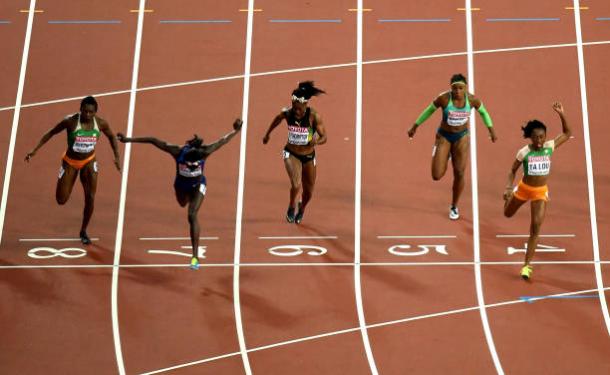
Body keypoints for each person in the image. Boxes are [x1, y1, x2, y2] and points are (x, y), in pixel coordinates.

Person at [117, 118, 242, 270]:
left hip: (198, 185)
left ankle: (194, 257)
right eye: (189, 163)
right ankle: (189, 201)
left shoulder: (205, 152)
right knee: (182, 204)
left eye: (195, 164)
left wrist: (236, 130)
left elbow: (223, 141)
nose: (191, 165)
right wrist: (127, 139)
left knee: (191, 215)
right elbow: (152, 140)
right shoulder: (177, 152)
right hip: (181, 186)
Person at [25, 96, 121, 244]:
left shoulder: (101, 124)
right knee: (61, 199)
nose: (87, 115)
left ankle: (83, 231)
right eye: (85, 111)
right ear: (80, 110)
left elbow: (112, 137)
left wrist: (117, 157)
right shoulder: (70, 122)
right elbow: (51, 132)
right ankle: (67, 179)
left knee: (90, 197)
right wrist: (35, 149)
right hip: (70, 162)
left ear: (95, 112)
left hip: (89, 161)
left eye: (91, 112)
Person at [408, 74, 497, 220]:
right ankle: (443, 153)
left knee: (460, 173)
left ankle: (454, 206)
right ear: (451, 88)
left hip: (461, 137)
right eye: (454, 88)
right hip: (444, 136)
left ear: (465, 88)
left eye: (460, 88)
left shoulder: (472, 100)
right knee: (436, 175)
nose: (457, 91)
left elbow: (484, 112)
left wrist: (491, 130)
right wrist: (415, 126)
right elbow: (428, 111)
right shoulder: (444, 99)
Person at [503, 102, 571, 280]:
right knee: (507, 214)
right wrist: (509, 188)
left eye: (542, 136)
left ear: (545, 136)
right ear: (530, 138)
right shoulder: (524, 152)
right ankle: (509, 199)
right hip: (524, 189)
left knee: (535, 228)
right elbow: (512, 171)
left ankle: (526, 266)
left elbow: (567, 133)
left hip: (540, 192)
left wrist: (561, 114)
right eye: (536, 137)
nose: (539, 140)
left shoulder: (550, 146)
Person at [263, 81, 327, 224]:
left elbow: (325, 137)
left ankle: (302, 207)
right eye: (294, 107)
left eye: (299, 109)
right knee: (296, 184)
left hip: (309, 156)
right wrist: (267, 134)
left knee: (309, 192)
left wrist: (316, 142)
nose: (296, 112)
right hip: (291, 154)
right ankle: (291, 205)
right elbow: (277, 119)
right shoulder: (288, 113)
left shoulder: (313, 116)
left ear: (305, 105)